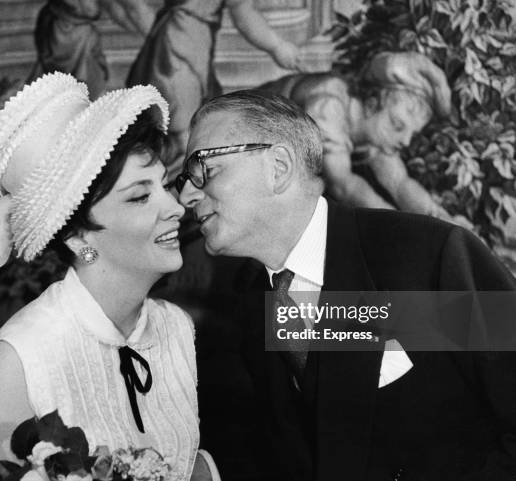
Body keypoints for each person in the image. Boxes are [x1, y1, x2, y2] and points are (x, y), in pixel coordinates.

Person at [176, 89, 516, 480]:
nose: (187, 194)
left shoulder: (426, 256)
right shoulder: (253, 307)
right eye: (186, 177)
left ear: (279, 167)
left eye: (205, 167)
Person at [0, 73, 218, 480]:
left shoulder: (175, 328)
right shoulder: (18, 361)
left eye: (164, 186)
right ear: (78, 237)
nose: (174, 207)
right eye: (139, 196)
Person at [260, 52, 468, 226]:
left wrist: (444, 220)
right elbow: (343, 184)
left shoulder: (374, 134)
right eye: (397, 125)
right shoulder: (329, 104)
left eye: (411, 134)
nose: (405, 141)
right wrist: (401, 226)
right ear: (371, 104)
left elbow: (399, 183)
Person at [126, 0, 302, 177]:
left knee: (191, 134)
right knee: (182, 136)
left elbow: (243, 11)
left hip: (191, 44)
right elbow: (243, 15)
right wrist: (277, 46)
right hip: (177, 47)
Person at [29, 0, 155, 99]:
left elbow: (123, 10)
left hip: (67, 32)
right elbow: (128, 9)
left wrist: (151, 34)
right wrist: (154, 35)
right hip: (69, 35)